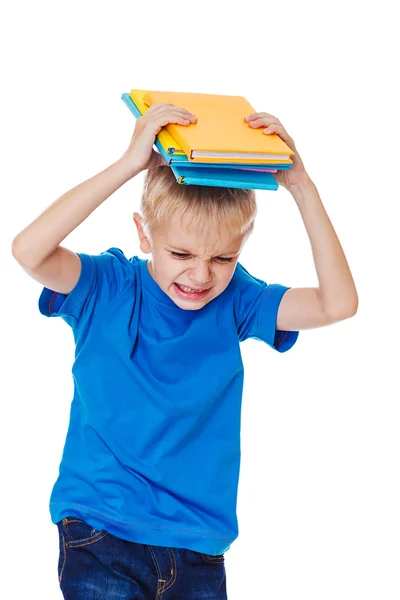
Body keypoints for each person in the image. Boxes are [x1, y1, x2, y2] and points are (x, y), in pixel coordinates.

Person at [11, 101, 358, 599]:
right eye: (180, 254)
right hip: (102, 530)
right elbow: (29, 250)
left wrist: (301, 185)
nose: (200, 276)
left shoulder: (238, 299)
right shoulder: (107, 287)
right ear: (143, 233)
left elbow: (338, 303)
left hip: (199, 549)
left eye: (223, 257)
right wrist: (130, 162)